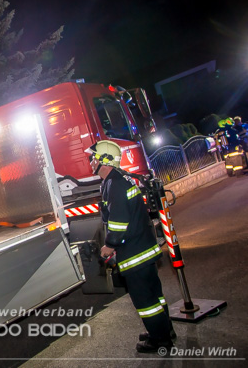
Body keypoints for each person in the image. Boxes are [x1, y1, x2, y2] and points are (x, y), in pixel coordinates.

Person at [87, 140, 175, 353]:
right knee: (155, 294)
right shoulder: (119, 179)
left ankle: (160, 340)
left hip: (135, 252)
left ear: (104, 160)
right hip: (144, 248)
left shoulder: (115, 184)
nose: (90, 162)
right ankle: (164, 330)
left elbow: (118, 221)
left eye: (93, 158)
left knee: (145, 301)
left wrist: (109, 245)